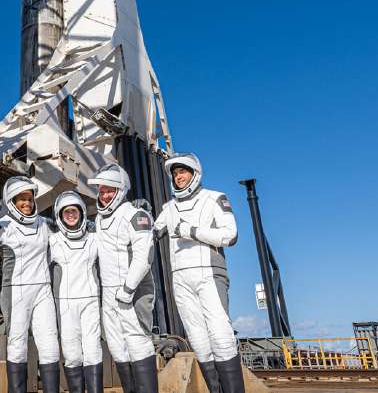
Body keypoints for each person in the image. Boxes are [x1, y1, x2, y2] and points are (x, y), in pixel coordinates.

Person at [153, 153, 242, 393]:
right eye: (175, 173)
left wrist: (191, 231)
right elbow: (152, 232)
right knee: (200, 343)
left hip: (209, 274)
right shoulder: (169, 208)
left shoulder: (214, 198)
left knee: (221, 337)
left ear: (194, 173)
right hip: (181, 279)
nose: (178, 177)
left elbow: (230, 235)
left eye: (183, 171)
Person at [0, 176, 61, 393]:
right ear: (11, 201)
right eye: (21, 199)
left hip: (43, 291)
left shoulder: (44, 223)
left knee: (50, 346)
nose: (27, 203)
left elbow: (75, 226)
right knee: (17, 346)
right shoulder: (4, 226)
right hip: (16, 292)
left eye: (30, 198)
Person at [87, 164, 159, 393]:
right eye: (102, 190)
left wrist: (127, 290)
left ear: (121, 190)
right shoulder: (99, 220)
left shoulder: (136, 215)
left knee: (138, 343)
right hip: (109, 294)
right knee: (117, 348)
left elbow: (145, 256)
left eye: (110, 190)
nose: (105, 195)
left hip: (132, 291)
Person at [49, 190, 104, 393]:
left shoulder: (94, 239)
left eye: (75, 211)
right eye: (66, 212)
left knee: (93, 351)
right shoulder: (52, 241)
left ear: (81, 213)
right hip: (65, 304)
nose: (71, 215)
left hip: (90, 301)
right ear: (60, 215)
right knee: (72, 355)